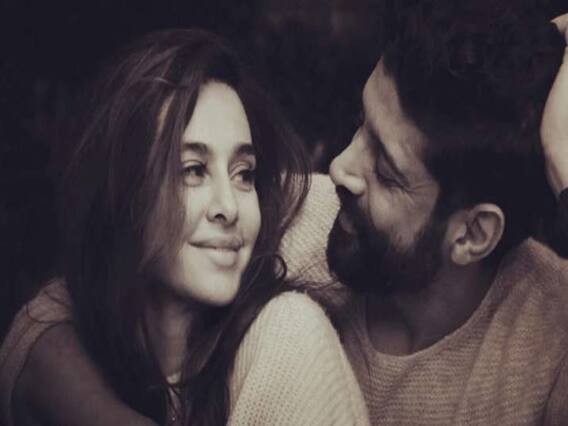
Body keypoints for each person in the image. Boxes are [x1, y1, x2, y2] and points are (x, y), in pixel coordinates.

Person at [3, 3, 568, 426]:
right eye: (362, 126)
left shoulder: (550, 347)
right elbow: (67, 302)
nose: (341, 167)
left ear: (473, 234)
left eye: (385, 169)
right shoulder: (304, 216)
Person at [0, 29, 368, 425]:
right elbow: (36, 326)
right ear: (123, 190)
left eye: (244, 174)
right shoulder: (93, 342)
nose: (229, 207)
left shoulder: (290, 336)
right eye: (193, 170)